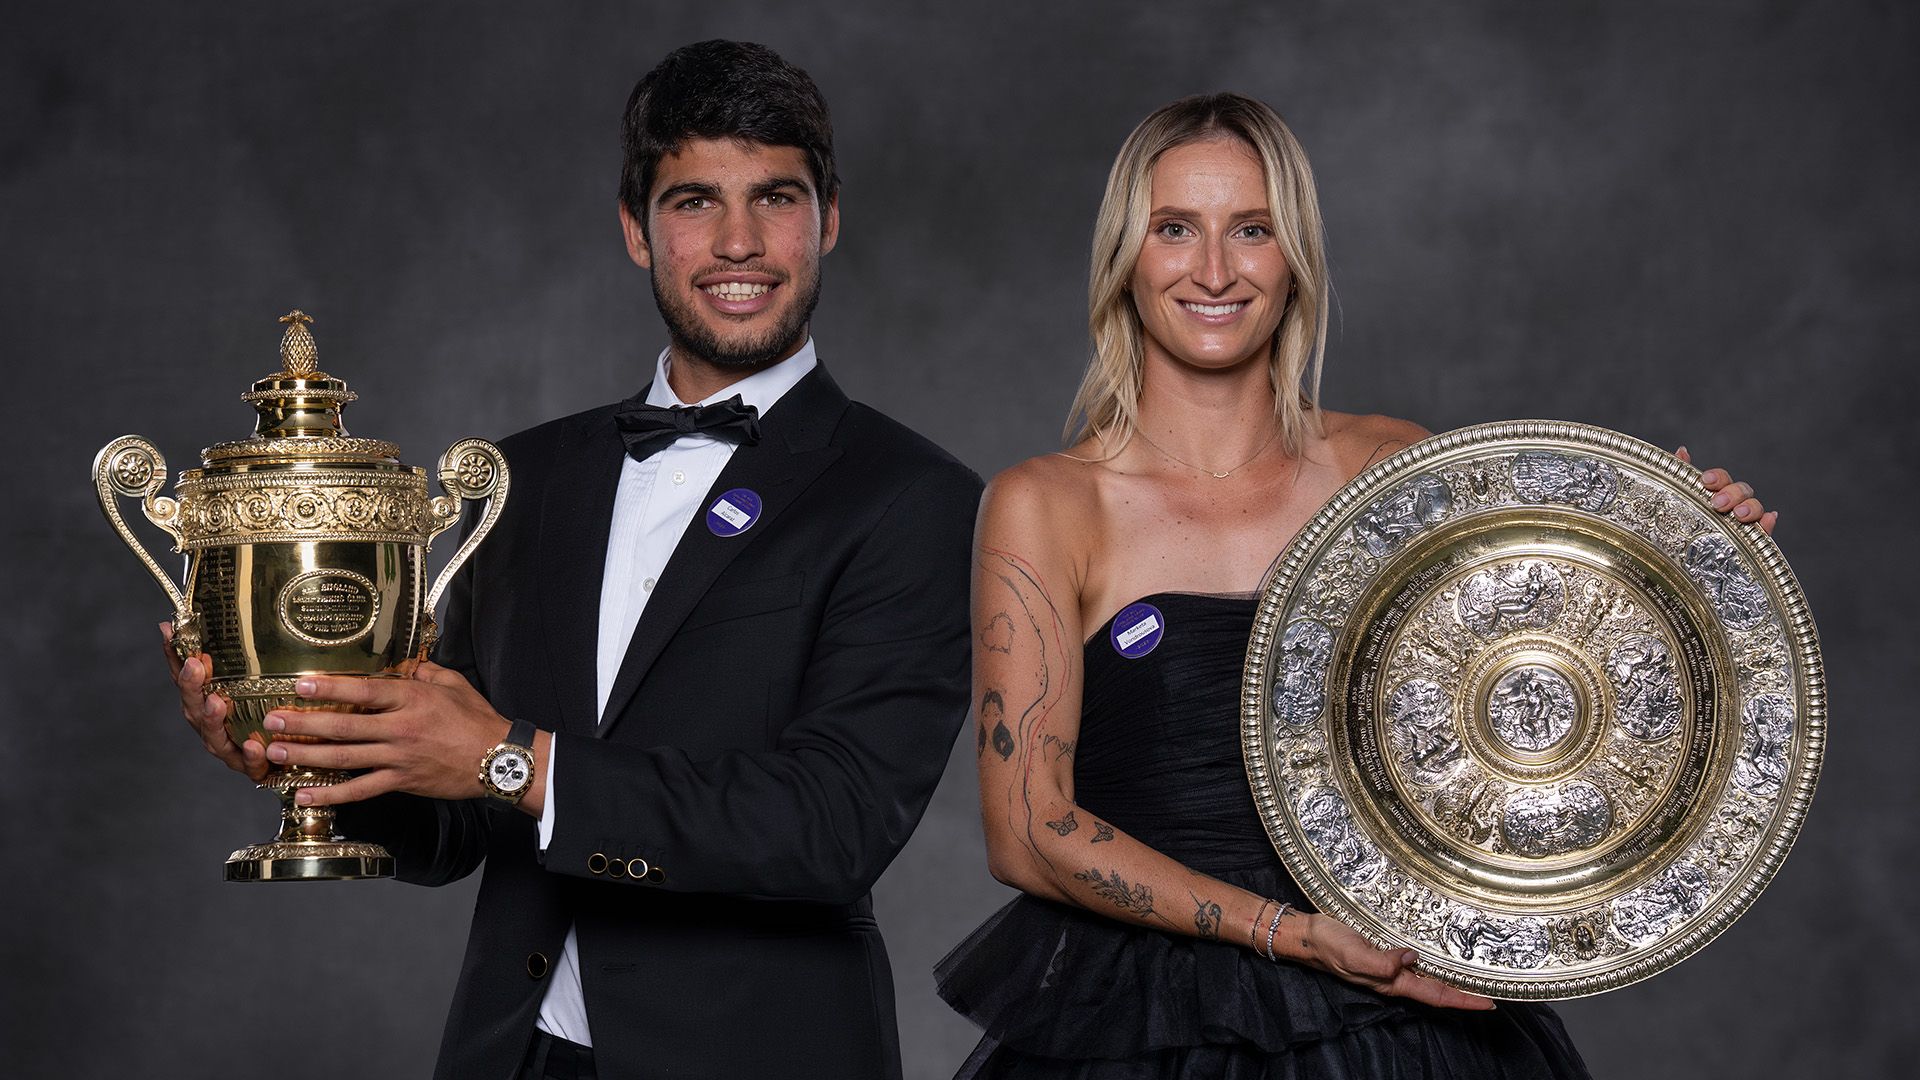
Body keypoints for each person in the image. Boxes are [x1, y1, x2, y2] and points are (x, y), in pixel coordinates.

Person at [169, 39, 981, 1080]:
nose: (740, 242)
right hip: (517, 1055)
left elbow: (831, 828)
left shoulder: (912, 496)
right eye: (694, 202)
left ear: (828, 217)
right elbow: (455, 825)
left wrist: (513, 758)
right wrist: (309, 754)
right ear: (637, 230)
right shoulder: (519, 479)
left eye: (775, 198)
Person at [936, 93, 1773, 1078]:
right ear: (1126, 257)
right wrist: (1291, 934)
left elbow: (1543, 691)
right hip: (1150, 1026)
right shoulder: (1047, 505)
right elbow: (1031, 833)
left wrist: (1692, 555)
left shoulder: (1394, 466)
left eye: (1251, 230)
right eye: (1175, 230)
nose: (1214, 271)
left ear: (1293, 258)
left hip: (1406, 1024)